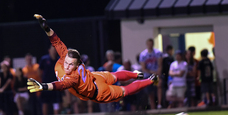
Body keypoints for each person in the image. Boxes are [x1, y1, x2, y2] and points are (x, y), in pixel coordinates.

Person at [27, 14, 158, 105]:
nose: (67, 66)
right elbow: (56, 41)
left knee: (125, 91)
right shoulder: (65, 55)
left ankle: (149, 81)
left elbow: (60, 85)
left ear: (77, 64)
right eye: (66, 62)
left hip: (99, 92)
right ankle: (136, 74)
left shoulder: (73, 77)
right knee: (114, 76)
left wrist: (43, 86)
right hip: (95, 77)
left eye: (71, 65)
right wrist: (46, 28)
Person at [39, 45, 63, 115]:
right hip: (46, 85)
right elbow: (39, 70)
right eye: (53, 50)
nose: (54, 51)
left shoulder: (59, 60)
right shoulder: (44, 59)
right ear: (49, 50)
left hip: (56, 85)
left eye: (55, 50)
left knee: (56, 102)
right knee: (45, 102)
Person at [139, 38, 163, 109]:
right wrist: (152, 72)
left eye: (151, 44)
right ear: (147, 45)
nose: (150, 45)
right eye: (149, 44)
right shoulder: (143, 54)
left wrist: (158, 73)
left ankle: (159, 104)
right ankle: (153, 107)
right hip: (148, 75)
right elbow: (143, 68)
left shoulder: (157, 53)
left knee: (159, 86)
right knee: (150, 93)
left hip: (156, 75)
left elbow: (160, 64)